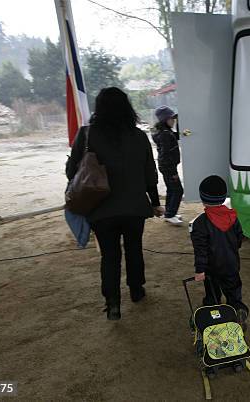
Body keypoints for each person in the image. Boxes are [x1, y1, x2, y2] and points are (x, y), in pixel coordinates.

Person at [66, 87, 164, 321]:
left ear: (99, 108)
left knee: (109, 256)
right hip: (134, 207)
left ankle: (112, 304)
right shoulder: (139, 136)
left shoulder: (87, 134)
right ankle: (137, 291)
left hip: (101, 208)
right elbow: (150, 172)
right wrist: (154, 201)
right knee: (134, 249)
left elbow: (72, 171)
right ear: (126, 107)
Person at [190, 175, 248, 328]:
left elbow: (200, 250)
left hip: (212, 269)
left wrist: (200, 270)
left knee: (213, 295)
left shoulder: (200, 223)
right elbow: (239, 239)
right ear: (223, 198)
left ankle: (214, 316)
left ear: (203, 199)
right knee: (233, 292)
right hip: (232, 265)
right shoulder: (233, 217)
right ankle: (238, 311)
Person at [151, 106, 184, 225]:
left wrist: (181, 122)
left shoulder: (166, 132)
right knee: (178, 190)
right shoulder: (165, 134)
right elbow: (165, 154)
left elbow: (179, 135)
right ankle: (170, 214)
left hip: (167, 167)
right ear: (165, 120)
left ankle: (170, 213)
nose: (173, 120)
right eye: (171, 118)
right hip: (168, 167)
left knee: (172, 190)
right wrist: (172, 171)